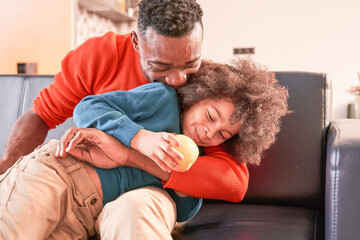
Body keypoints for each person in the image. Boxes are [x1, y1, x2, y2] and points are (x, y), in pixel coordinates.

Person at [0, 0, 248, 239]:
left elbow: (233, 182)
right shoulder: (101, 57)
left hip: (142, 196)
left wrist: (130, 155)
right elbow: (42, 114)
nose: (178, 80)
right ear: (136, 42)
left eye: (190, 64)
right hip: (77, 177)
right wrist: (9, 164)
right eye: (160, 65)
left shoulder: (206, 94)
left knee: (135, 212)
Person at [0, 59, 289, 239]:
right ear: (199, 96)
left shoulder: (194, 158)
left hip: (84, 217)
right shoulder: (161, 99)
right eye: (211, 116)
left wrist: (185, 188)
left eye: (222, 134)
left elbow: (184, 210)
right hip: (59, 173)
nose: (209, 132)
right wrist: (140, 138)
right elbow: (88, 107)